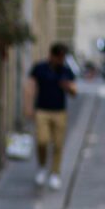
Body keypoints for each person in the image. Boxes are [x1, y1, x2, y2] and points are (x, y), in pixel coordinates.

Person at [23, 42, 77, 190]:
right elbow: (30, 87)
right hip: (42, 111)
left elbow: (74, 92)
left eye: (63, 58)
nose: (61, 60)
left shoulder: (66, 71)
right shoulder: (40, 68)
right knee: (42, 141)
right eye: (59, 57)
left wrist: (68, 87)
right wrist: (28, 107)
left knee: (58, 144)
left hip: (60, 112)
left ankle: (55, 173)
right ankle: (42, 166)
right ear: (52, 56)